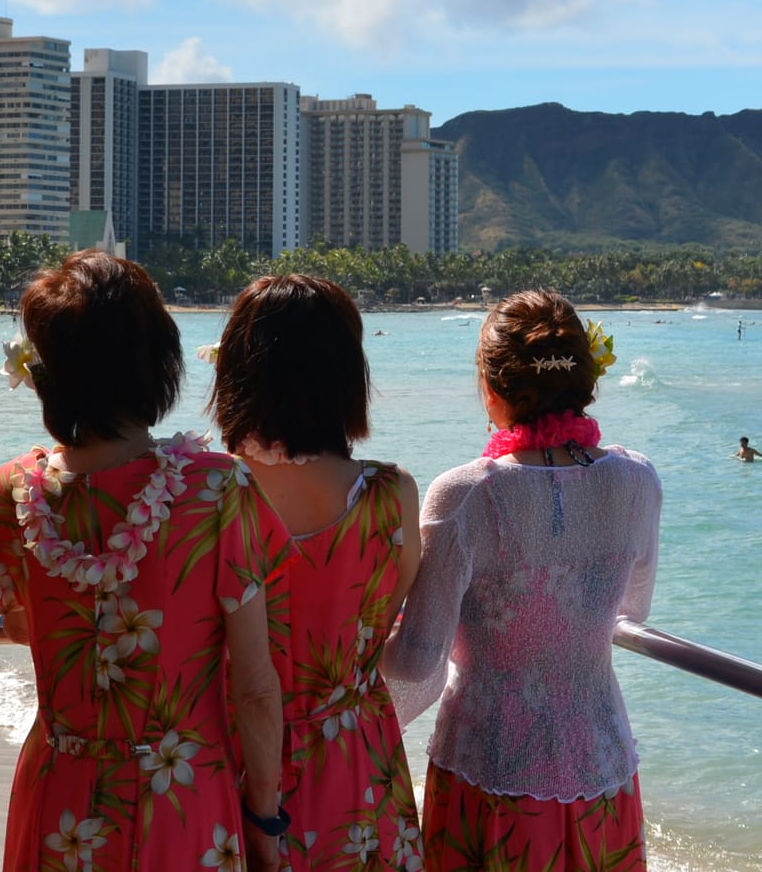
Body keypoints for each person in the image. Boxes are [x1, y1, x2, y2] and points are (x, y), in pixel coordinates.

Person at [0, 251, 287, 872]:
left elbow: (19, 624)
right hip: (182, 795)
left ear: (42, 372)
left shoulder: (3, 492)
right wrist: (265, 817)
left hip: (58, 791)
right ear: (157, 364)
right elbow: (253, 685)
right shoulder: (218, 490)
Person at [386, 291, 660, 872]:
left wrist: (349, 632)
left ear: (492, 389)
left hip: (491, 765)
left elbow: (415, 660)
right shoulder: (637, 481)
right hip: (603, 758)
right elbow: (633, 608)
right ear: (587, 379)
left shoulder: (467, 496)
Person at [209, 275, 423, 869]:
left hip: (233, 761)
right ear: (346, 376)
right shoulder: (391, 493)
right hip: (355, 758)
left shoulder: (208, 491)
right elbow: (388, 610)